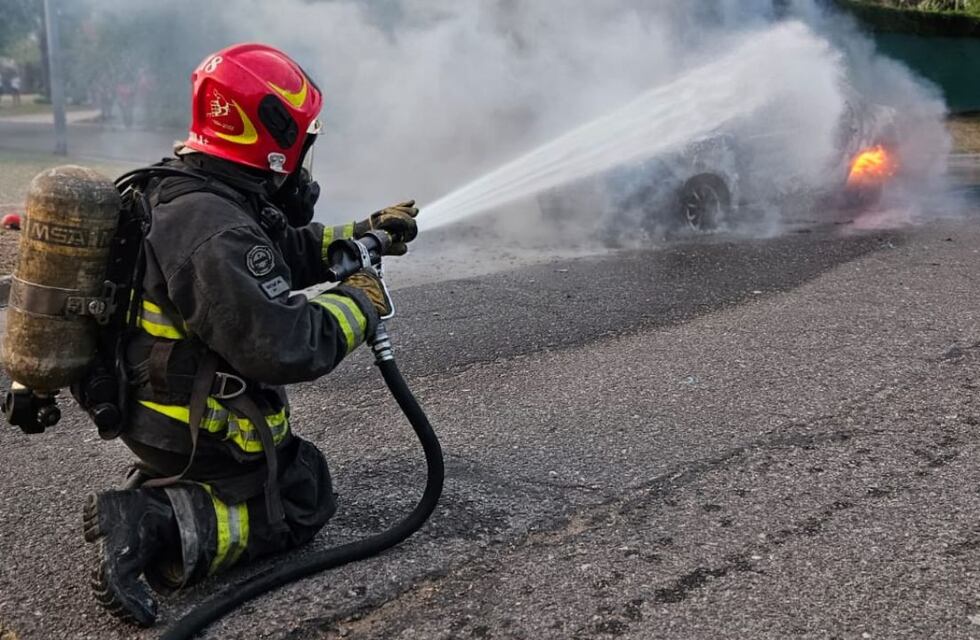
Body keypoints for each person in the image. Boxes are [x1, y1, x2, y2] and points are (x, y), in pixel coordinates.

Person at [80, 42, 421, 627]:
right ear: (271, 140)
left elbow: (279, 250)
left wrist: (366, 233)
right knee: (303, 494)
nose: (304, 161)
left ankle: (174, 494)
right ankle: (152, 522)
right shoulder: (214, 230)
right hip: (189, 426)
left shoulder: (195, 191)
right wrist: (361, 302)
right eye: (302, 143)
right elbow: (285, 345)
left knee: (296, 468)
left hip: (153, 410)